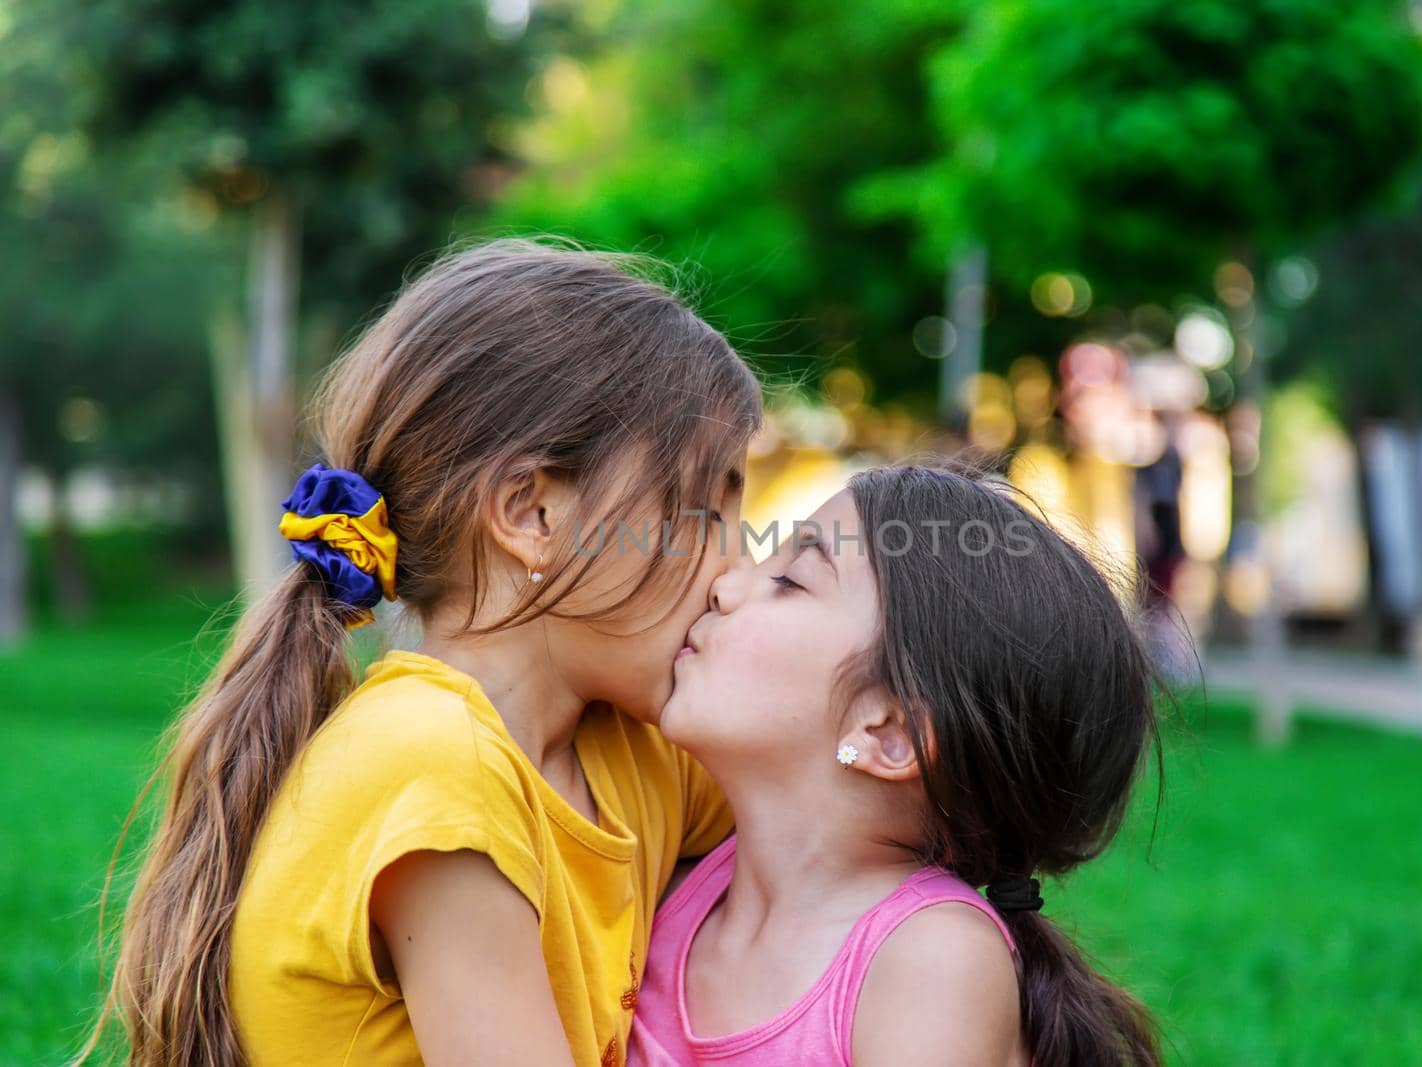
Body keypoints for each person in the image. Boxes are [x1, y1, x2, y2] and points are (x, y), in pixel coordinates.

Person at [86, 238, 763, 1067]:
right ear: (531, 514)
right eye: (706, 507)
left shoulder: (624, 749)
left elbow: (855, 801)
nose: (740, 571)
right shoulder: (436, 764)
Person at [631, 463, 1164, 1066]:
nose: (724, 587)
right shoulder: (667, 879)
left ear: (890, 735)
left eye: (788, 579)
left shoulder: (931, 964)